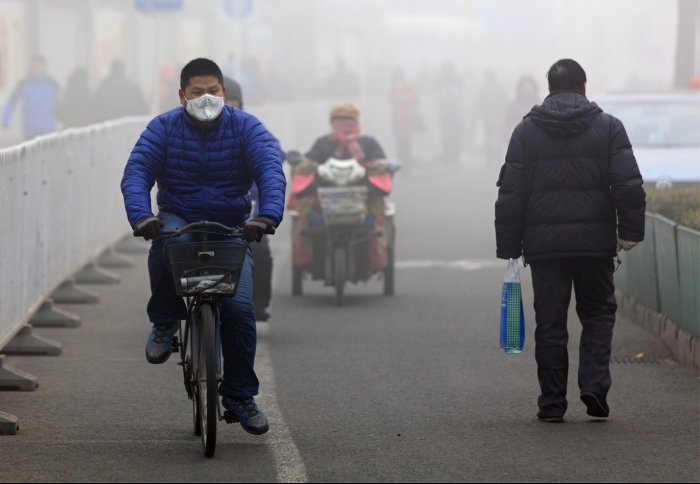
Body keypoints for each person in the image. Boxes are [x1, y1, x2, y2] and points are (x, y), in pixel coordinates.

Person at [121, 58, 286, 435]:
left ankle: (240, 394)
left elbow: (270, 171)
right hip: (180, 215)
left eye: (213, 91)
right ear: (182, 95)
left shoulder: (247, 127)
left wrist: (266, 216)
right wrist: (142, 217)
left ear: (224, 93)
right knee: (168, 240)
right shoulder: (162, 128)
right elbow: (136, 173)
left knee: (241, 310)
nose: (206, 98)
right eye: (197, 92)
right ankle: (165, 321)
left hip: (232, 226)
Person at [494, 59, 646, 423]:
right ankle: (593, 385)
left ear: (549, 89)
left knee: (549, 322)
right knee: (597, 313)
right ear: (584, 87)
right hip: (595, 245)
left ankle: (551, 403)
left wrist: (509, 246)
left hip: (545, 248)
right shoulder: (609, 127)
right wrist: (629, 233)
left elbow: (511, 194)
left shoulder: (526, 131)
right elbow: (628, 185)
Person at [223, 76, 275, 322]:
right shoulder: (190, 130)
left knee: (260, 249)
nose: (227, 107)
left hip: (246, 209)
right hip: (204, 213)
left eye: (232, 101)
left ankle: (259, 303)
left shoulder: (252, 128)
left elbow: (273, 152)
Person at [2, 55, 60, 140]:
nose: (37, 69)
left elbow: (61, 103)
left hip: (48, 128)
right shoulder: (24, 83)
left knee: (47, 152)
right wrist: (5, 120)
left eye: (40, 66)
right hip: (30, 128)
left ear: (45, 67)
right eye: (35, 66)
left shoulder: (52, 83)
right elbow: (11, 102)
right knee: (31, 152)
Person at [386, 69, 420, 164]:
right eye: (396, 78)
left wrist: (404, 99)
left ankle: (407, 163)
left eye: (399, 77)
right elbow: (389, 99)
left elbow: (416, 98)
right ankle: (401, 163)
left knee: (408, 142)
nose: (398, 80)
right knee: (400, 143)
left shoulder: (409, 87)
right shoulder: (393, 88)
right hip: (397, 121)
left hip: (409, 120)